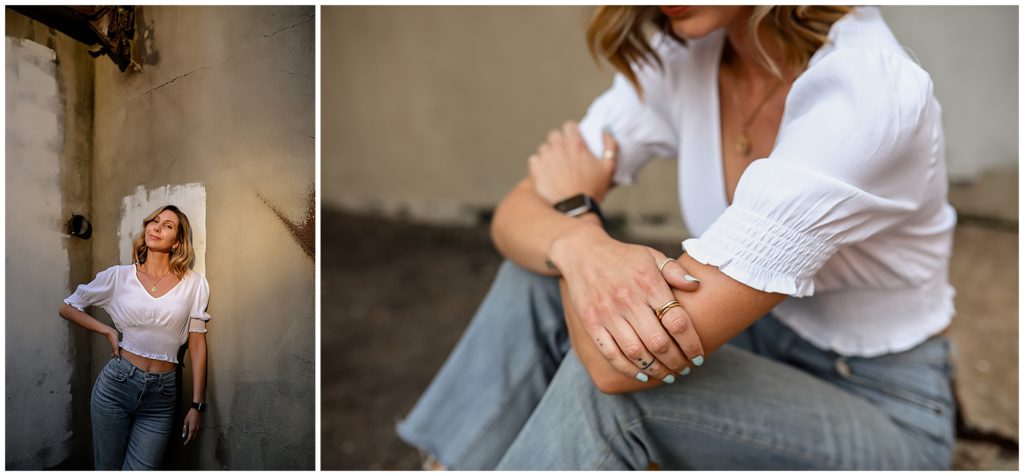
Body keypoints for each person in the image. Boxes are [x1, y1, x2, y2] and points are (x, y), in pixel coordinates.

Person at [397, 5, 957, 470]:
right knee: (537, 275)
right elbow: (518, 212)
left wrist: (578, 213)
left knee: (620, 386)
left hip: (882, 408)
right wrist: (580, 244)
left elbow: (615, 370)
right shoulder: (688, 56)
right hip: (752, 339)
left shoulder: (868, 95)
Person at [59, 205, 212, 470]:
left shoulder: (194, 284)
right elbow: (67, 307)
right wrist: (107, 330)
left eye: (167, 225)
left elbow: (197, 342)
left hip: (162, 396)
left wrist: (196, 405)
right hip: (116, 386)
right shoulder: (119, 276)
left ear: (177, 242)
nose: (157, 227)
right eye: (154, 221)